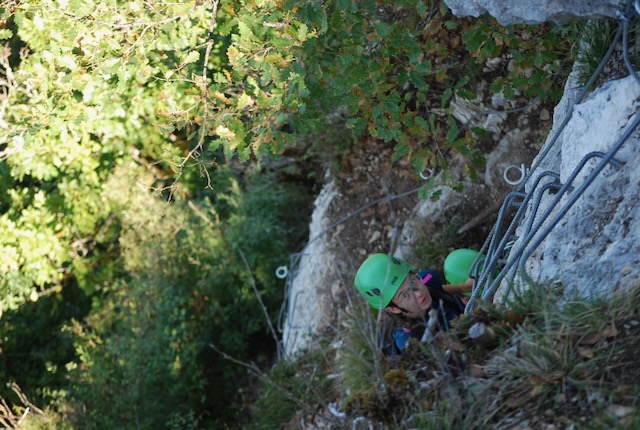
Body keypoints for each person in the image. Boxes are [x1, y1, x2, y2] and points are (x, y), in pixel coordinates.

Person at [354, 253, 474, 356]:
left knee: (454, 262)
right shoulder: (407, 340)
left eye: (412, 281)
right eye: (404, 296)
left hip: (455, 321)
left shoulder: (426, 278)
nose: (419, 294)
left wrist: (464, 288)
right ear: (394, 309)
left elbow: (437, 287)